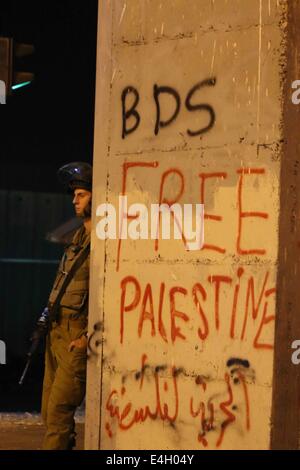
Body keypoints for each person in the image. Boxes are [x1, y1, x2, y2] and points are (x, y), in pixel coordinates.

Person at [40, 161, 92, 450]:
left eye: (82, 194)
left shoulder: (102, 240)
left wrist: (87, 336)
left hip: (75, 333)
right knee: (49, 411)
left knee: (59, 411)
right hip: (55, 330)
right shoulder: (76, 237)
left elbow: (105, 292)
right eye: (75, 195)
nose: (75, 200)